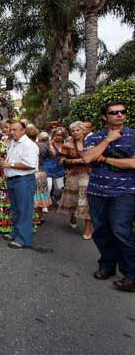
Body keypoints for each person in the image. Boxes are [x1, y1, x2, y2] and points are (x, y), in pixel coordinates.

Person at [82, 101, 135, 292]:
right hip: (97, 191)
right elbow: (87, 158)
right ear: (105, 117)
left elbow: (133, 164)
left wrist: (104, 159)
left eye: (122, 112)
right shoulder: (95, 137)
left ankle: (131, 275)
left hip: (124, 192)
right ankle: (107, 266)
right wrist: (108, 141)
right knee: (101, 231)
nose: (120, 115)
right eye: (114, 113)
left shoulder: (133, 136)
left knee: (121, 231)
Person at [0, 121, 38, 249]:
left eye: (15, 130)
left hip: (24, 180)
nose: (12, 132)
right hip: (13, 180)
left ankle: (23, 239)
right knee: (16, 209)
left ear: (23, 130)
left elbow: (30, 165)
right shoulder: (14, 143)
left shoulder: (29, 145)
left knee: (24, 210)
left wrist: (9, 165)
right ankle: (16, 233)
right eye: (11, 130)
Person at [58, 121, 92, 239]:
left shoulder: (91, 142)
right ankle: (74, 215)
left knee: (86, 200)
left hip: (87, 175)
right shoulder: (67, 144)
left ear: (83, 130)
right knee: (73, 199)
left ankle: (88, 227)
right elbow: (61, 160)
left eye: (78, 130)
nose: (75, 132)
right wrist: (76, 161)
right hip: (72, 174)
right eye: (73, 131)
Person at [28, 127, 52, 225]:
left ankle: (36, 218)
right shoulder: (43, 146)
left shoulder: (28, 146)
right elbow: (51, 154)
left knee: (33, 196)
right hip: (42, 172)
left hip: (32, 172)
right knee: (40, 195)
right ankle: (40, 216)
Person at [43, 127, 66, 204]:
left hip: (59, 168)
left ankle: (56, 197)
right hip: (48, 167)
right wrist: (51, 144)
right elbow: (53, 154)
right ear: (54, 135)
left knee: (59, 187)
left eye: (61, 135)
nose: (59, 137)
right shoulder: (48, 144)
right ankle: (45, 203)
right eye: (57, 135)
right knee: (48, 187)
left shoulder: (66, 144)